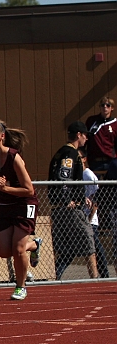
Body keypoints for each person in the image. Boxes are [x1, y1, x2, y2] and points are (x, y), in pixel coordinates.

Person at [0, 119, 41, 301]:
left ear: (2, 137)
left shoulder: (14, 157)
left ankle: (20, 286)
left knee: (18, 249)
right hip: (5, 206)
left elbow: (29, 189)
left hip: (25, 204)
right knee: (3, 251)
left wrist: (6, 189)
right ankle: (35, 245)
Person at [48, 121, 99, 280]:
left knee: (66, 250)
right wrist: (67, 200)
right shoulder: (70, 153)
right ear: (79, 135)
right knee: (89, 242)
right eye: (85, 135)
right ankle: (96, 280)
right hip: (69, 208)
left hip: (61, 206)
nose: (86, 139)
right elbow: (63, 177)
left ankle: (54, 277)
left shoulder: (61, 152)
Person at [79, 149, 111, 278]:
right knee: (80, 248)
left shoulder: (88, 175)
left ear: (85, 159)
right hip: (81, 217)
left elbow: (96, 198)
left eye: (79, 157)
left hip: (90, 219)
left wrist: (90, 217)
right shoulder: (77, 174)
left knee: (95, 246)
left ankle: (104, 274)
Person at [85, 96, 117, 174]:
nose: (105, 107)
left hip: (111, 162)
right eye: (102, 105)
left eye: (108, 105)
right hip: (95, 162)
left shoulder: (115, 123)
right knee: (95, 186)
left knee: (111, 185)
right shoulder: (92, 121)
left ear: (112, 108)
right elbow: (85, 139)